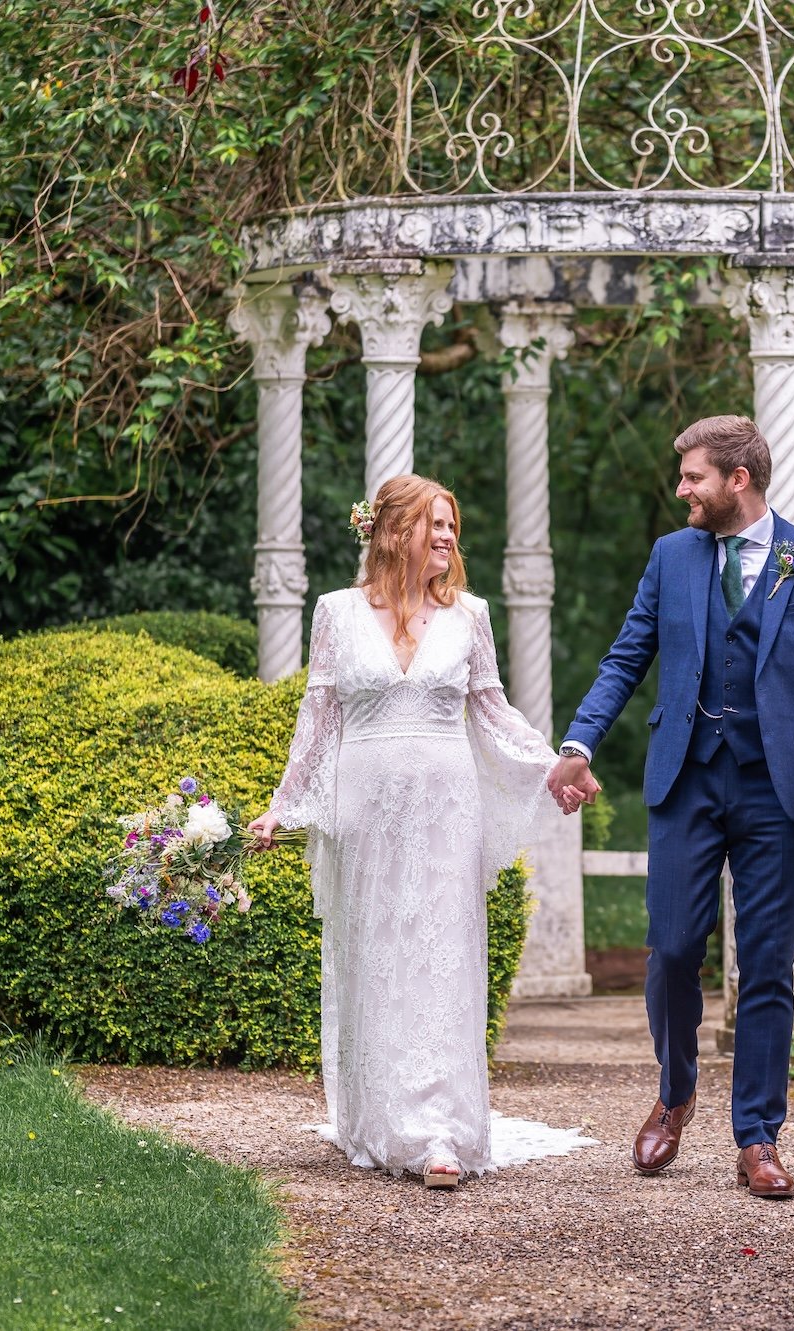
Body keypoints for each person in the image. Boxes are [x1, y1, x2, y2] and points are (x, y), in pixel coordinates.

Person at [546, 414, 794, 1201]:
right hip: (688, 777)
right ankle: (676, 1091)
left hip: (780, 786)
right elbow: (628, 653)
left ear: (739, 479)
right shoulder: (672, 556)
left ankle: (759, 1134)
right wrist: (580, 743)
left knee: (766, 964)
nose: (682, 490)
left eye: (694, 476)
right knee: (670, 950)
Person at [249, 474, 595, 1189]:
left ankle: (441, 1130)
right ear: (388, 531)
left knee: (441, 955)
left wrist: (555, 765)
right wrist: (283, 806)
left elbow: (494, 713)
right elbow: (318, 724)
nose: (446, 537)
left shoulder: (469, 616)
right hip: (367, 810)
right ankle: (381, 1117)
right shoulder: (336, 613)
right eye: (432, 524)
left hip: (445, 806)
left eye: (451, 526)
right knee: (378, 955)